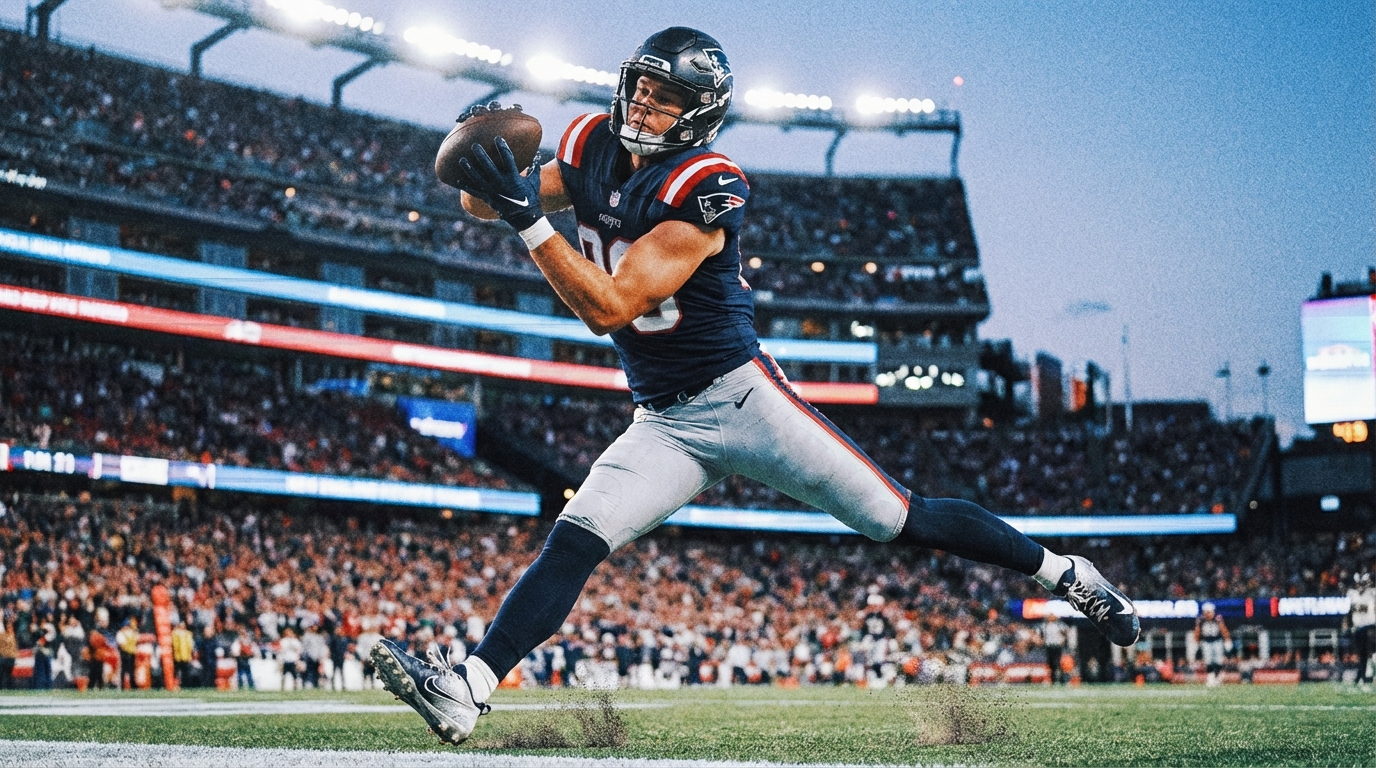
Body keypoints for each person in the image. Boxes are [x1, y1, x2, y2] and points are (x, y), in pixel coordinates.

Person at [371, 26, 1141, 745]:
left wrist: (526, 221)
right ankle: (466, 689)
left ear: (697, 116)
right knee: (577, 538)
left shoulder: (708, 185)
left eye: (664, 97)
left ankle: (1067, 574)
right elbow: (488, 200)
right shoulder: (587, 142)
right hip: (662, 421)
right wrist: (483, 168)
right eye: (639, 86)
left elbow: (609, 306)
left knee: (897, 518)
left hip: (741, 400)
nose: (642, 104)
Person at [1346, 572, 1375, 688]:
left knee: (1371, 654)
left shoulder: (1372, 593)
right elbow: (1350, 612)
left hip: (1370, 627)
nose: (1361, 585)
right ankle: (1362, 676)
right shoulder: (1351, 594)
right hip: (1358, 628)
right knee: (1362, 655)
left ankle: (1366, 676)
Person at [1194, 602, 1231, 687]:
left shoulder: (1217, 618)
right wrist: (1195, 642)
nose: (1207, 614)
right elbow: (1197, 631)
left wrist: (1227, 640)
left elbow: (1223, 629)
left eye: (1208, 612)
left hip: (1217, 640)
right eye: (1205, 612)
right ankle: (1211, 677)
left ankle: (1217, 677)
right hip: (1206, 641)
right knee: (1208, 660)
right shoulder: (1201, 619)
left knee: (1218, 660)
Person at [1043, 614, 1068, 685]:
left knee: (1058, 663)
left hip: (1057, 646)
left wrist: (1063, 639)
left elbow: (1066, 631)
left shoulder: (1059, 625)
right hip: (1049, 646)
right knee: (1051, 664)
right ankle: (1053, 680)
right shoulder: (1045, 625)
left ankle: (1062, 680)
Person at [115, 617, 139, 690]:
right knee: (125, 670)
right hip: (126, 652)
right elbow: (121, 643)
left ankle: (132, 685)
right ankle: (124, 685)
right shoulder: (124, 633)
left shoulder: (126, 633)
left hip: (130, 652)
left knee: (129, 670)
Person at [171, 621, 195, 689]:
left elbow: (190, 645)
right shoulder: (174, 633)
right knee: (176, 672)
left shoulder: (188, 634)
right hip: (177, 656)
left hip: (185, 656)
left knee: (185, 672)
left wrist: (190, 655)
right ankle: (175, 685)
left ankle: (185, 685)